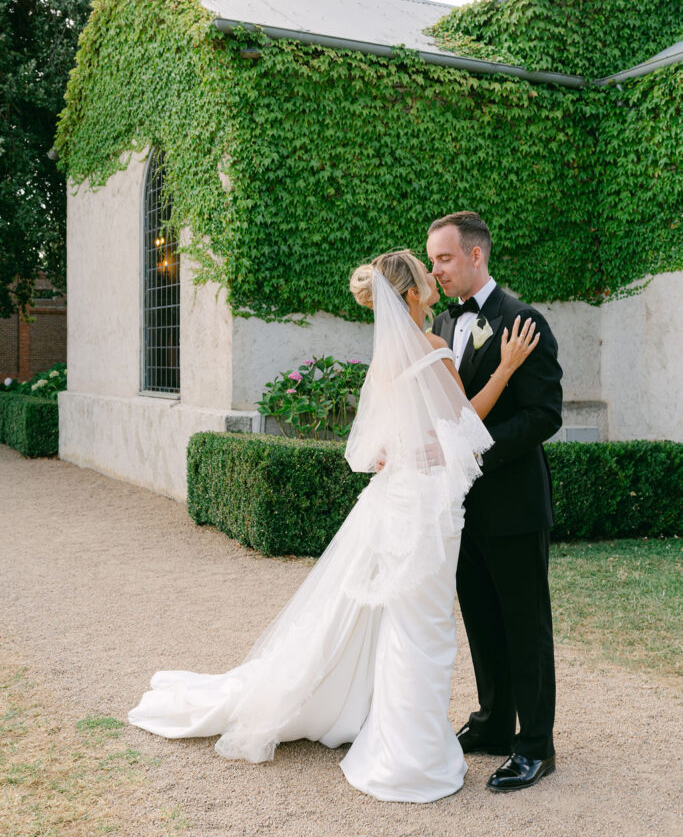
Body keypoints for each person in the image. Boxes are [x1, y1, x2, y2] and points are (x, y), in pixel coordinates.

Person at [129, 249, 539, 803]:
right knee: (425, 627)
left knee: (403, 621)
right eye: (425, 271)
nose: (432, 275)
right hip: (424, 509)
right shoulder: (434, 347)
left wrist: (407, 448)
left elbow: (376, 447)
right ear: (412, 294)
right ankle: (408, 753)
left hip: (396, 500)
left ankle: (400, 735)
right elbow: (464, 427)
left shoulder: (387, 360)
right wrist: (507, 368)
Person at [427, 212, 563, 793]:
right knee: (482, 618)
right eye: (432, 260)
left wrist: (474, 451)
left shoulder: (522, 320)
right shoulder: (439, 319)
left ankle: (535, 744)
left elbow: (544, 416)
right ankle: (491, 723)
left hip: (512, 503)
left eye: (444, 259)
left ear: (476, 255)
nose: (435, 271)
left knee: (523, 624)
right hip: (462, 508)